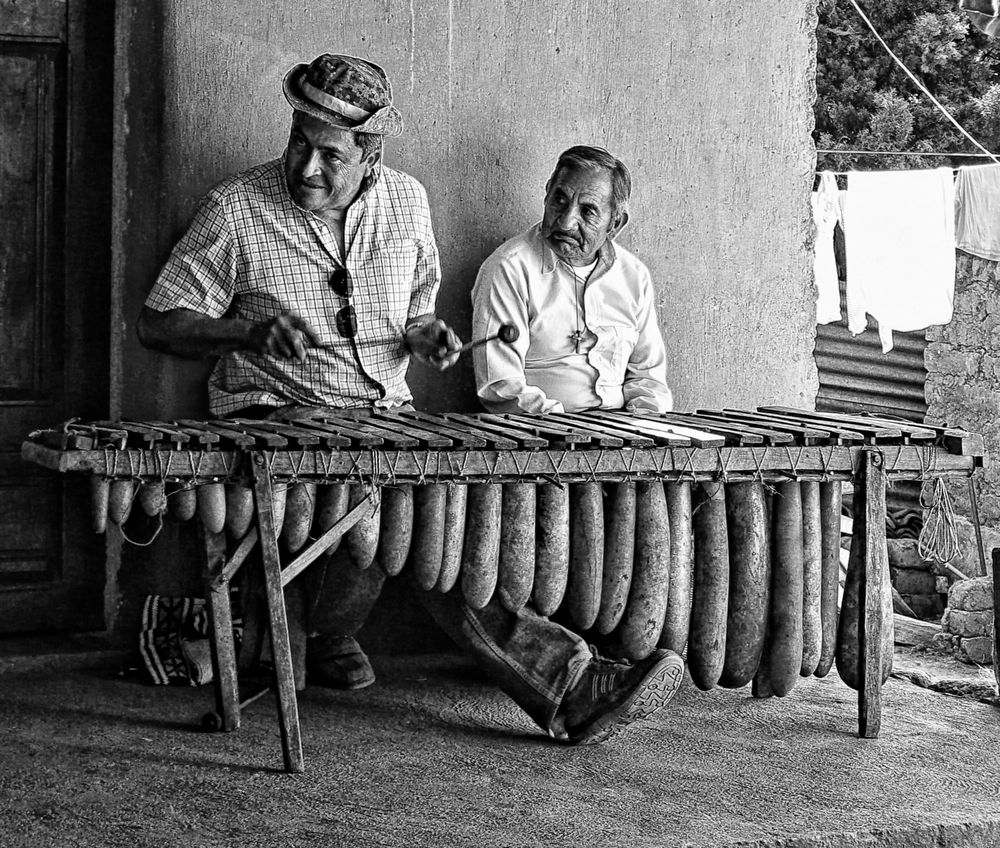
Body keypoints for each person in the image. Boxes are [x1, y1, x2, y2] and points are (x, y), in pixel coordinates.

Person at [137, 53, 682, 746]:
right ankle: (569, 684)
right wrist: (243, 331)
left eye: (329, 154)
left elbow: (415, 317)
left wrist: (428, 338)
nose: (306, 167)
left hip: (385, 423)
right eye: (298, 142)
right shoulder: (237, 208)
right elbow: (158, 318)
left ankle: (323, 633)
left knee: (439, 526)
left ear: (371, 153)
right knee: (392, 511)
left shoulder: (408, 202)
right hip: (276, 420)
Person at [471, 145, 673, 415]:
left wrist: (642, 434)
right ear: (546, 195)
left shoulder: (634, 276)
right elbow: (500, 387)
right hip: (541, 436)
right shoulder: (509, 268)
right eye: (560, 201)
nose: (566, 222)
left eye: (587, 211)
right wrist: (569, 433)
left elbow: (649, 380)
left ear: (615, 224)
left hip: (621, 437)